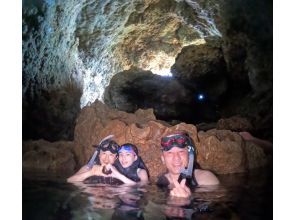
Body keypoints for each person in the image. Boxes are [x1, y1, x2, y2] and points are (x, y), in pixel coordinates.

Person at [157, 131, 220, 198]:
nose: (176, 158)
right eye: (170, 153)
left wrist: (189, 199)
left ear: (190, 156)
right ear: (163, 159)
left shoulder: (205, 179)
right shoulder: (159, 183)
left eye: (181, 152)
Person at [67, 137, 140, 185]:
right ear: (99, 155)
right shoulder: (89, 167)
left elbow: (136, 188)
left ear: (116, 158)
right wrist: (91, 173)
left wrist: (118, 175)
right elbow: (69, 180)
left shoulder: (120, 170)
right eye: (104, 153)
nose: (106, 158)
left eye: (111, 155)